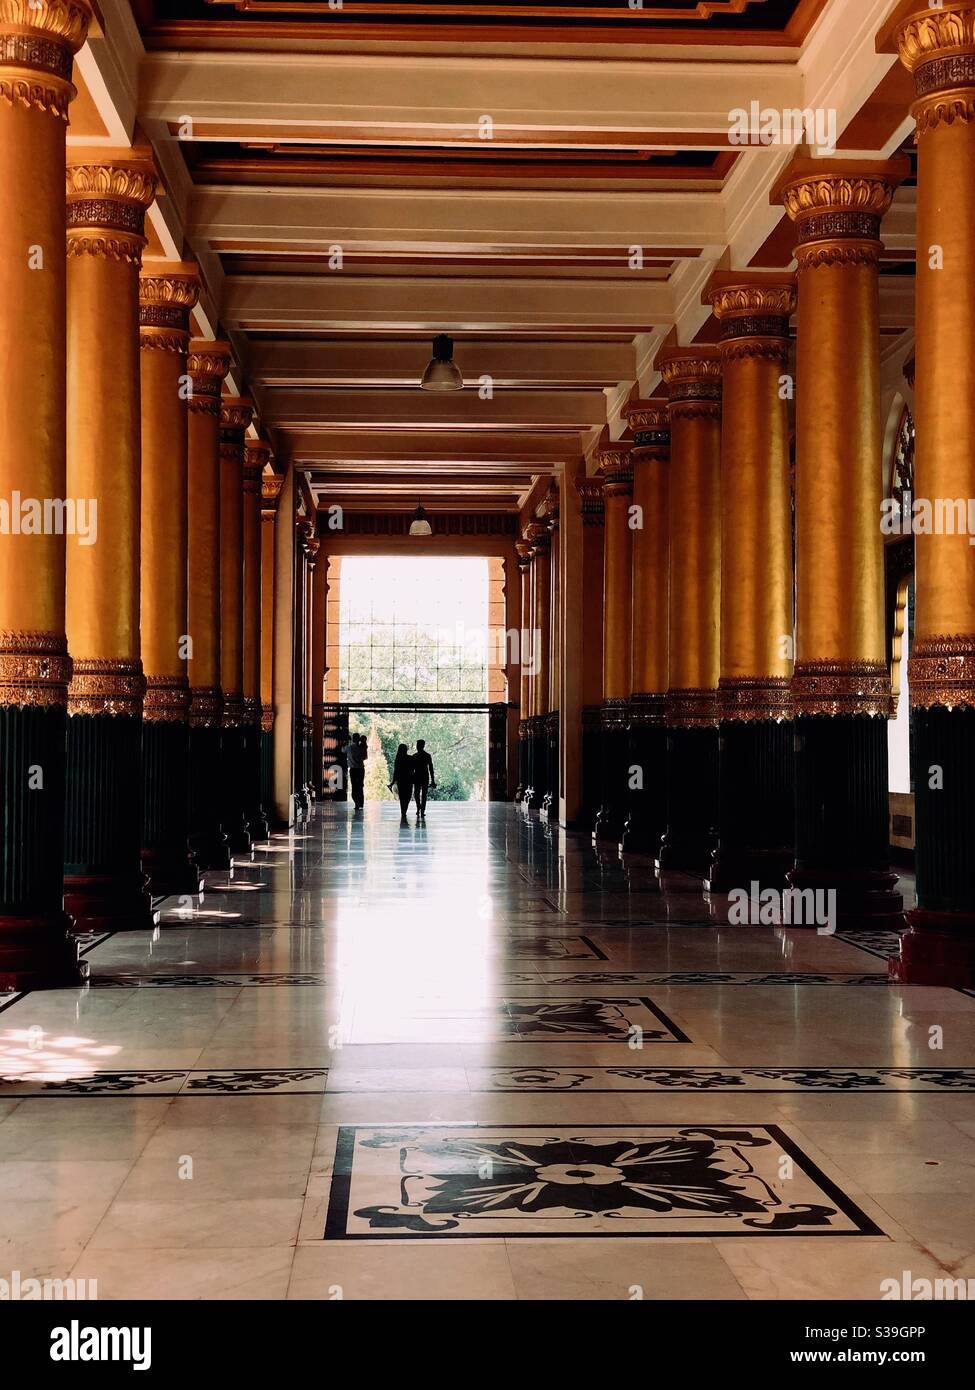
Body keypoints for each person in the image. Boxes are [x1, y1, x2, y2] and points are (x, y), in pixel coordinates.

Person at [411, 738, 436, 820]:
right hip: (424, 776)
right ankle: (421, 809)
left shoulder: (415, 756)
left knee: (417, 793)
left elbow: (430, 768)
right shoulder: (427, 756)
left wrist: (432, 779)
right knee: (421, 794)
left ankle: (420, 808)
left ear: (421, 746)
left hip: (418, 776)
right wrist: (432, 780)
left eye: (418, 745)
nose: (417, 746)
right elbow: (431, 769)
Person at [389, 743, 414, 825]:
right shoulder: (410, 758)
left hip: (401, 780)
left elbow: (396, 771)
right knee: (408, 795)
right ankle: (404, 810)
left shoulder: (398, 759)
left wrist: (393, 781)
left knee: (402, 796)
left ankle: (403, 811)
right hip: (409, 779)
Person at [343, 731, 367, 812]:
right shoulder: (362, 747)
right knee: (360, 786)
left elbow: (342, 750)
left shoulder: (349, 747)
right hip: (361, 769)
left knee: (354, 787)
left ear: (352, 739)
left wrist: (347, 741)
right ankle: (361, 803)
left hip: (353, 770)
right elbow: (365, 757)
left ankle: (357, 803)